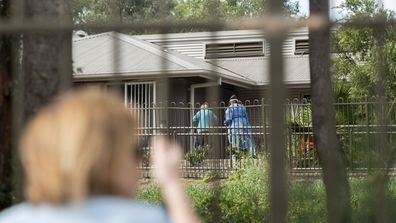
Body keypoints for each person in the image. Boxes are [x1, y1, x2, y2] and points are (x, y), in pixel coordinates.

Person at [0, 89, 200, 223]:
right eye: (134, 150)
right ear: (108, 159)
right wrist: (172, 185)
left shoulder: (12, 219)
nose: (140, 161)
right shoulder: (143, 218)